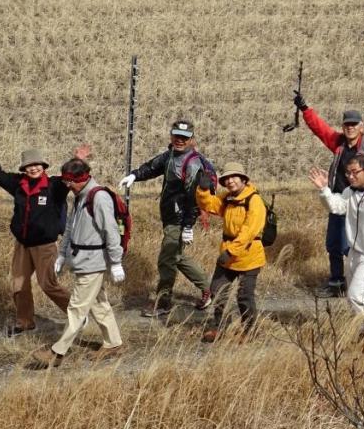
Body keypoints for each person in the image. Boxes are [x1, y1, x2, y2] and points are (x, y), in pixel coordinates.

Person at [0, 139, 88, 336]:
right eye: (29, 165)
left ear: (43, 166)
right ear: (24, 168)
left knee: (48, 285)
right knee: (19, 284)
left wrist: (78, 160)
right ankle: (25, 322)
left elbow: (70, 176)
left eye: (37, 165)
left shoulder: (54, 186)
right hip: (22, 244)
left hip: (45, 246)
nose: (33, 168)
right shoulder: (18, 184)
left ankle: (79, 314)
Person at [32, 158, 125, 368]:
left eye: (69, 182)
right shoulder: (80, 197)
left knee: (76, 308)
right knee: (99, 303)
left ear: (81, 179)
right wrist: (62, 255)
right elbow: (70, 229)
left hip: (93, 262)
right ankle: (113, 343)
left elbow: (111, 232)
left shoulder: (99, 198)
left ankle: (57, 352)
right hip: (82, 260)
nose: (67, 186)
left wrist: (116, 261)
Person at [293, 90, 364, 299]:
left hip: (358, 204)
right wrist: (305, 109)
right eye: (347, 124)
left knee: (353, 245)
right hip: (337, 200)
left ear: (362, 127)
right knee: (333, 243)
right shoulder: (339, 144)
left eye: (354, 124)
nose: (350, 128)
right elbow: (321, 129)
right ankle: (336, 282)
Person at [119, 119, 212, 317]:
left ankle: (163, 303)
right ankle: (209, 288)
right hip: (170, 215)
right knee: (176, 257)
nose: (180, 140)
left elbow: (193, 198)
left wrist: (187, 226)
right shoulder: (170, 155)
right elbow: (153, 167)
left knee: (166, 260)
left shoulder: (193, 164)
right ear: (171, 135)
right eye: (177, 136)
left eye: (184, 138)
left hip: (179, 219)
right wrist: (135, 176)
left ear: (192, 140)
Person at [309, 154, 364, 346]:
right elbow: (336, 207)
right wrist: (324, 190)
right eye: (347, 173)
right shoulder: (350, 193)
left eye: (355, 172)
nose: (350, 176)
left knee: (356, 295)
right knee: (359, 297)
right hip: (354, 253)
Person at [194, 162, 266, 343]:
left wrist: (231, 251)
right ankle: (219, 327)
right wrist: (203, 190)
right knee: (218, 291)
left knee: (244, 296)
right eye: (226, 179)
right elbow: (210, 205)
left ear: (243, 179)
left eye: (234, 177)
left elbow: (249, 231)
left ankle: (251, 331)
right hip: (228, 255)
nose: (230, 181)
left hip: (249, 256)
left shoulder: (254, 201)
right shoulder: (228, 198)